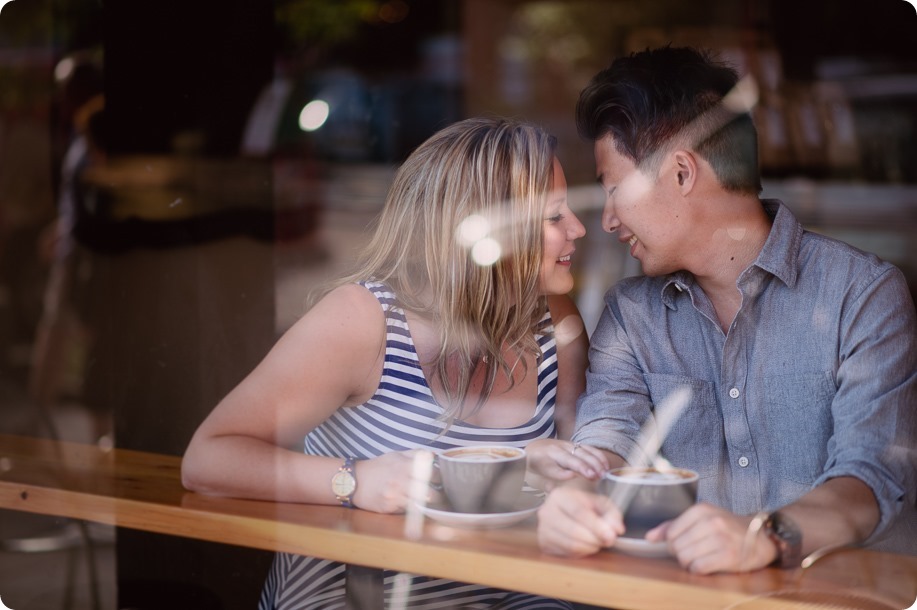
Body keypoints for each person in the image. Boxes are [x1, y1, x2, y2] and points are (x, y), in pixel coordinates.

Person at [182, 116, 609, 608]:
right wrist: (354, 481)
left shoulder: (556, 323)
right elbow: (208, 459)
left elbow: (572, 485)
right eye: (554, 216)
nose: (578, 228)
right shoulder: (362, 321)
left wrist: (545, 475)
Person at [537, 46, 917, 575]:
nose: (607, 220)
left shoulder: (862, 294)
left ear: (682, 172)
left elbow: (872, 479)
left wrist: (763, 537)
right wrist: (575, 496)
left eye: (614, 189)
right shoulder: (630, 313)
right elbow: (608, 438)